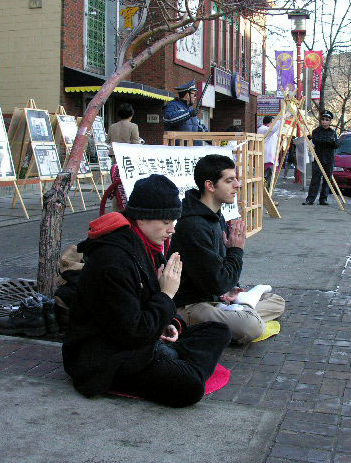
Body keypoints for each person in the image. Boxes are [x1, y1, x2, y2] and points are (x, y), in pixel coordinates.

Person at [62, 174, 231, 408]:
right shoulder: (113, 260)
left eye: (174, 221)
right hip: (108, 355)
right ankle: (175, 361)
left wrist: (170, 323)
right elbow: (133, 333)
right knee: (190, 386)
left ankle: (172, 357)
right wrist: (167, 295)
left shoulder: (146, 244)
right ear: (142, 217)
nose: (172, 229)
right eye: (166, 221)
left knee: (219, 330)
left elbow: (147, 309)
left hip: (141, 338)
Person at [168, 154, 285, 344]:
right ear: (210, 185)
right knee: (250, 326)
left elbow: (219, 278)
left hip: (216, 297)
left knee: (277, 301)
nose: (237, 185)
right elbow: (215, 282)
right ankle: (244, 310)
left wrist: (230, 289)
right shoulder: (193, 226)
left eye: (236, 179)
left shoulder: (216, 216)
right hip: (192, 305)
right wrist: (236, 251)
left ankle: (241, 309)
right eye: (229, 181)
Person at [303, 110, 339, 206]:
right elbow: (316, 141)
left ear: (330, 121)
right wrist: (328, 141)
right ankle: (310, 199)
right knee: (315, 179)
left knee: (327, 180)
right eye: (323, 119)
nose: (324, 121)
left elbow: (336, 145)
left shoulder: (333, 132)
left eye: (327, 120)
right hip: (318, 158)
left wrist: (331, 142)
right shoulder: (316, 131)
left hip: (329, 159)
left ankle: (323, 199)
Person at [257, 116, 280, 189]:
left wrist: (284, 117)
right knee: (266, 177)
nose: (274, 123)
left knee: (271, 178)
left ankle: (268, 192)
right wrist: (281, 119)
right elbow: (273, 129)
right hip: (266, 158)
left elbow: (277, 129)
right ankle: (264, 192)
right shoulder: (262, 129)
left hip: (272, 157)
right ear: (269, 122)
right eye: (273, 122)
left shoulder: (271, 130)